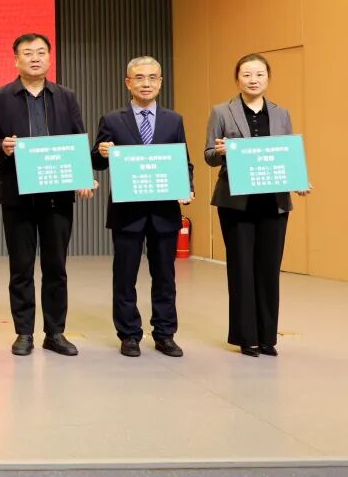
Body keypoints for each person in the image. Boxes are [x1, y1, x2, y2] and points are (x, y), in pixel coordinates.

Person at [0, 33, 94, 358]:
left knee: (56, 267)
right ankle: (24, 332)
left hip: (57, 196)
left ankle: (55, 332)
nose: (35, 58)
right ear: (16, 60)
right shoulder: (0, 98)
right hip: (18, 196)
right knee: (21, 267)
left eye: (41, 52)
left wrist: (83, 176)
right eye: (27, 53)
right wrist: (2, 147)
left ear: (49, 58)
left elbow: (77, 140)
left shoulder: (66, 97)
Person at [204, 53, 309, 357]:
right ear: (237, 78)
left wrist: (299, 179)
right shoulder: (221, 111)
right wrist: (221, 151)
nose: (253, 80)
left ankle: (267, 338)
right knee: (241, 269)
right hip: (236, 203)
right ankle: (246, 337)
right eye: (247, 74)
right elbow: (208, 155)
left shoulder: (281, 113)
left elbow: (287, 154)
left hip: (274, 203)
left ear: (268, 78)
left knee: (269, 270)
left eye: (260, 74)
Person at [91, 57, 193, 358]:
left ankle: (165, 333)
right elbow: (96, 162)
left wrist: (188, 186)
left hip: (164, 211)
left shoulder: (174, 120)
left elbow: (183, 161)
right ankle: (129, 334)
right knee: (125, 277)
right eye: (139, 78)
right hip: (127, 212)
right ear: (128, 83)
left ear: (160, 82)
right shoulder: (112, 119)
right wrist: (101, 152)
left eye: (152, 77)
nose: (145, 83)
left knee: (165, 277)